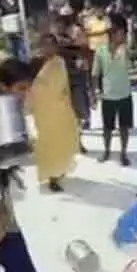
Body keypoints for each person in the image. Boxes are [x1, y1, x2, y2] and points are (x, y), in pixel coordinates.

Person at [0, 59, 42, 272]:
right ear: (3, 86)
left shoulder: (6, 111)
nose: (25, 95)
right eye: (21, 88)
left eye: (28, 88)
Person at [28, 35, 81, 191]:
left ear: (56, 47)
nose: (47, 48)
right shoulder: (36, 63)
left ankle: (55, 175)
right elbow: (31, 85)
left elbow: (62, 86)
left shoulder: (59, 63)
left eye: (51, 45)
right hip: (42, 112)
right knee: (47, 144)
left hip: (59, 111)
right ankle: (52, 174)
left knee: (60, 143)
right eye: (44, 45)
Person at [92, 13, 134, 165]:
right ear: (112, 35)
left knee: (124, 127)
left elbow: (130, 64)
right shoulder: (100, 51)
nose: (122, 37)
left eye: (123, 34)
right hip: (108, 95)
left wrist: (127, 51)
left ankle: (123, 153)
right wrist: (96, 91)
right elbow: (95, 74)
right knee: (107, 128)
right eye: (120, 34)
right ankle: (107, 151)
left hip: (124, 94)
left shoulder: (125, 50)